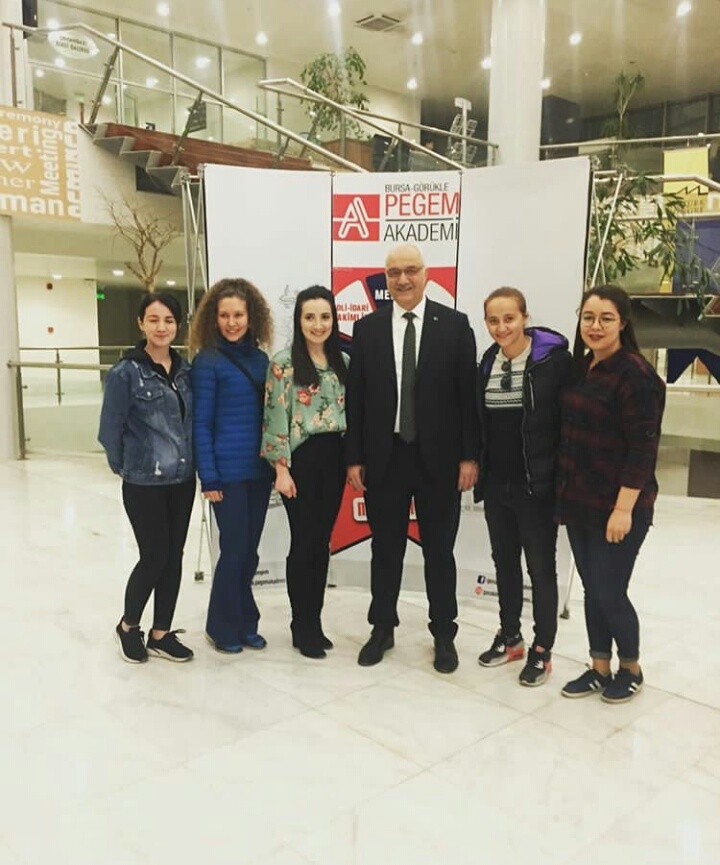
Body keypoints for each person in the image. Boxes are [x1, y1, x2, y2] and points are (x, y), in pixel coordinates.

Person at [345, 243, 479, 674]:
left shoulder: (455, 326)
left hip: (439, 461)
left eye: (411, 270)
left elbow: (468, 398)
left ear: (426, 274)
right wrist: (354, 458)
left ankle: (444, 634)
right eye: (393, 272)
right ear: (386, 278)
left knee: (439, 551)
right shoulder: (367, 329)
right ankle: (382, 628)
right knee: (385, 550)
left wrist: (469, 457)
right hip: (385, 459)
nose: (402, 279)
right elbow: (357, 399)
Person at [557, 285, 665, 703]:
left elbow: (643, 449)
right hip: (580, 501)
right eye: (588, 317)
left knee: (608, 590)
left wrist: (623, 509)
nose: (595, 326)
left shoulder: (635, 375)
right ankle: (599, 666)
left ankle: (631, 668)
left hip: (619, 507)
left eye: (606, 318)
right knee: (592, 588)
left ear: (623, 323)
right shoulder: (583, 367)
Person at [475, 287, 573, 686]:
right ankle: (511, 636)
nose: (502, 327)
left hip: (537, 486)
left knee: (541, 569)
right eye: (493, 320)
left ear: (525, 318)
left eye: (509, 319)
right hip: (497, 485)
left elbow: (567, 424)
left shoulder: (553, 361)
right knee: (504, 562)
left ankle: (542, 648)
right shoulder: (488, 361)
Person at [98, 292, 195, 664]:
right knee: (154, 555)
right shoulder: (126, 372)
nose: (161, 327)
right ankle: (128, 626)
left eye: (168, 320)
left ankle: (161, 633)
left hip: (182, 480)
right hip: (144, 483)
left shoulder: (185, 370)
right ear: (141, 323)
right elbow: (109, 431)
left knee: (174, 557)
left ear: (177, 325)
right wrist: (129, 467)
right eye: (153, 319)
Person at [261, 286, 348, 659]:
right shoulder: (283, 363)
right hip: (301, 461)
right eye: (309, 317)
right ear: (298, 320)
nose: (318, 324)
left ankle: (315, 622)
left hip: (335, 459)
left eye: (325, 317)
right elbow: (274, 416)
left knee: (322, 543)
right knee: (304, 543)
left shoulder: (343, 361)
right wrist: (281, 469)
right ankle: (301, 625)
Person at [189, 278, 274, 654]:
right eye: (224, 315)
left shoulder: (261, 360)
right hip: (226, 475)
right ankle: (221, 626)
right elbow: (201, 424)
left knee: (249, 552)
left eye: (238, 314)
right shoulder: (207, 361)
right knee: (235, 550)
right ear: (214, 318)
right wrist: (208, 476)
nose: (231, 322)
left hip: (259, 472)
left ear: (251, 317)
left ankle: (244, 622)